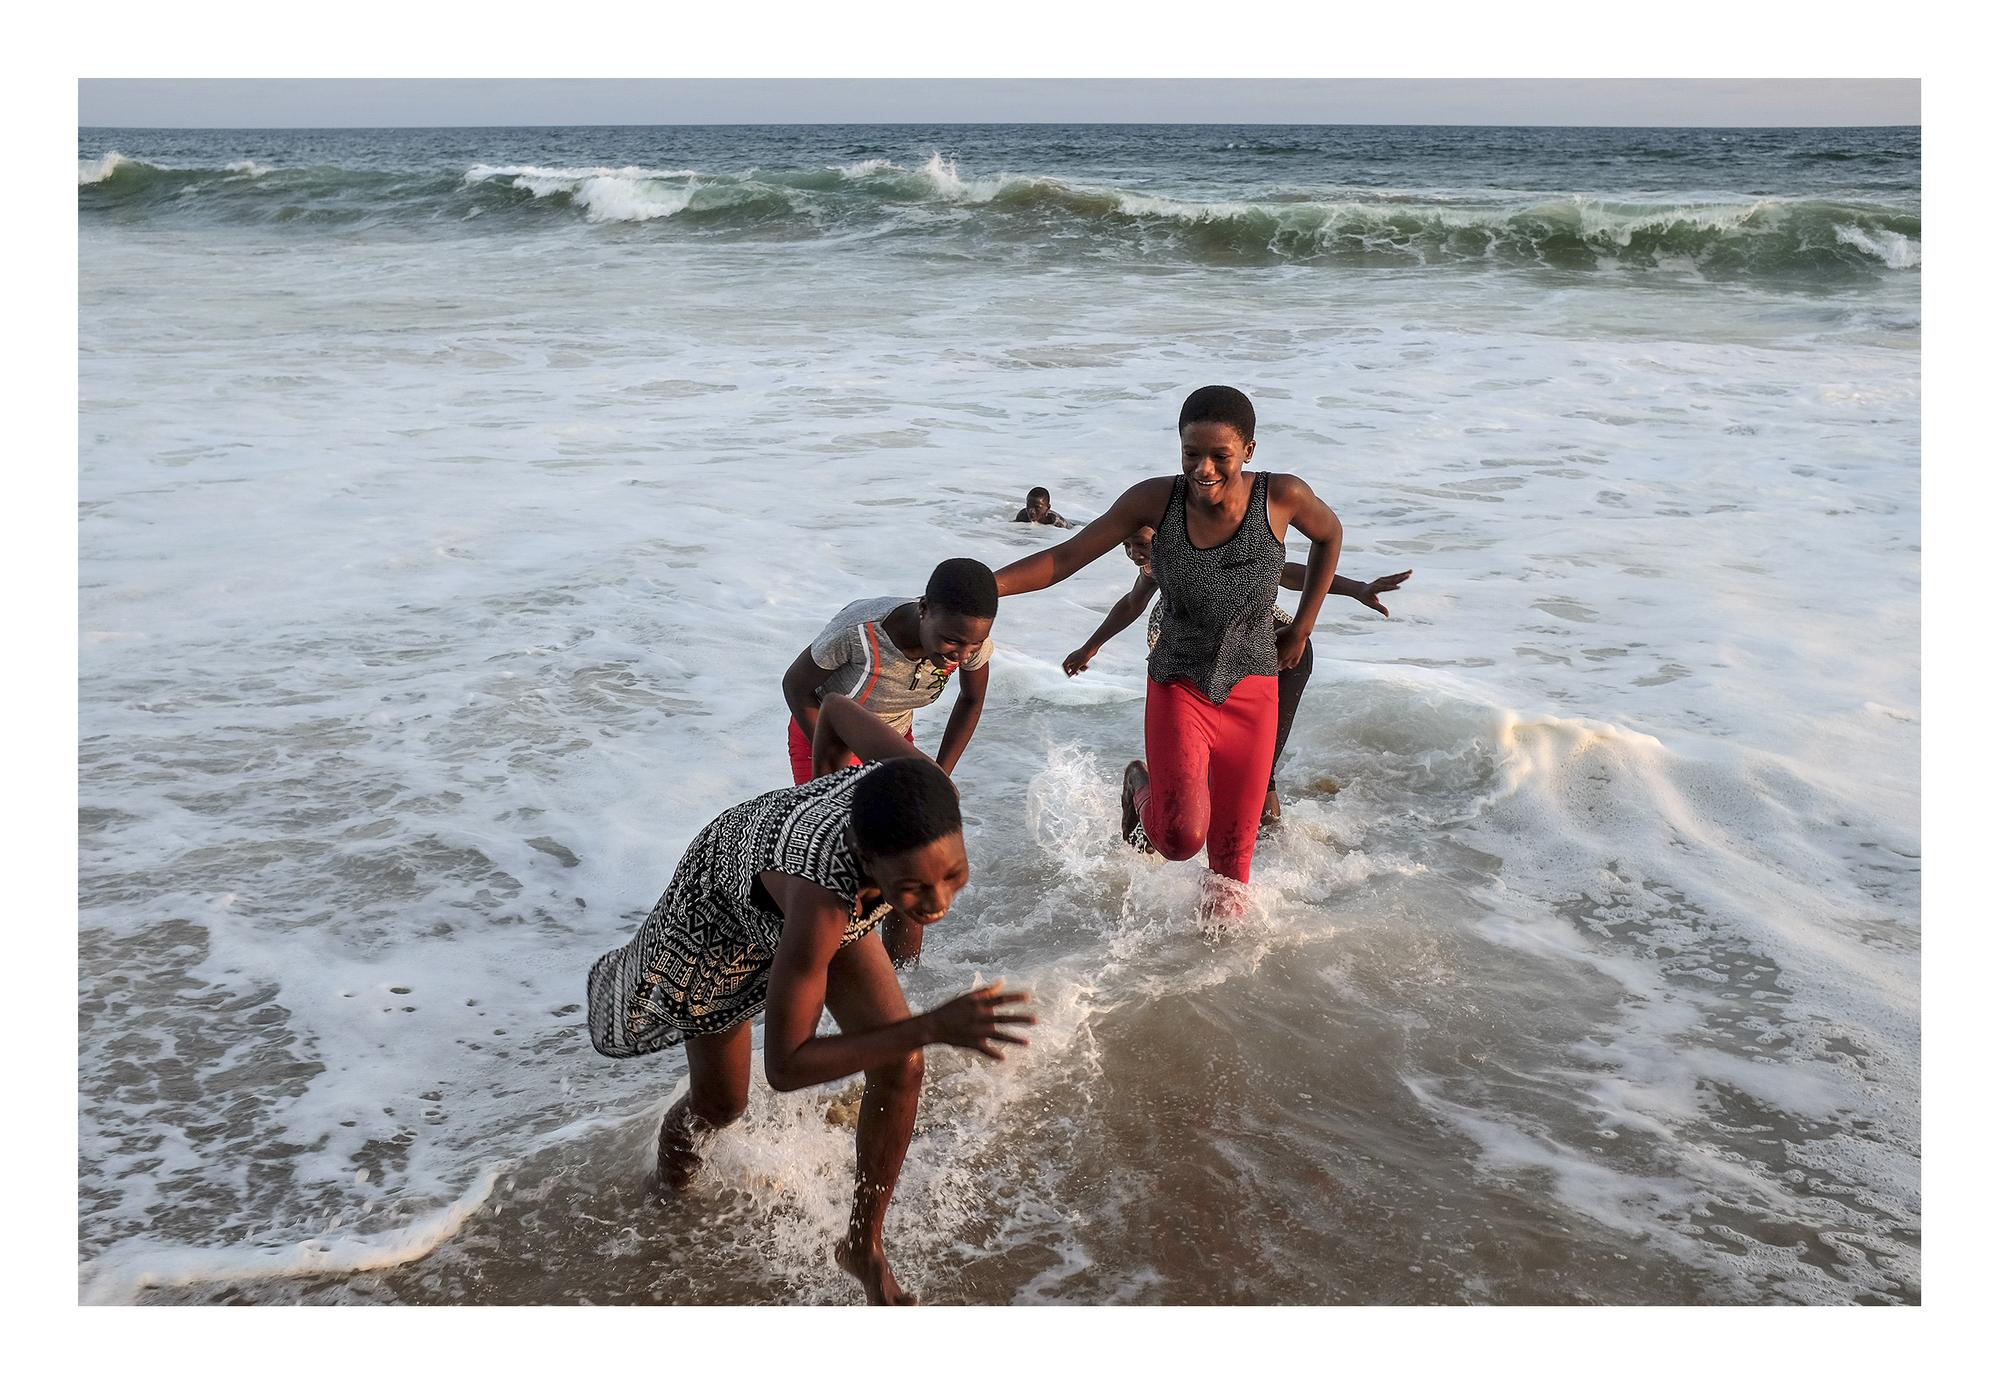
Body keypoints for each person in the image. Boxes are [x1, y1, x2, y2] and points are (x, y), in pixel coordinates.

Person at [586, 692, 1035, 1306]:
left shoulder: (926, 788)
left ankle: (862, 1245)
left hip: (810, 884)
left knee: (901, 1064)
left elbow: (838, 710)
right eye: (913, 888)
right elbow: (788, 1065)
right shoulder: (823, 902)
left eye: (952, 874)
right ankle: (667, 1195)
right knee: (722, 1103)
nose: (938, 903)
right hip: (717, 926)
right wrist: (930, 1024)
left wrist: (819, 783)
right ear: (868, 861)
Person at [993, 385, 1342, 910]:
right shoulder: (1154, 501)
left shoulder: (1282, 496)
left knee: (1231, 873)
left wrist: (1303, 628)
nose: (1204, 469)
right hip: (1179, 683)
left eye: (1220, 456)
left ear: (1248, 450)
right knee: (1180, 839)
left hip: (1254, 689)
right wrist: (985, 587)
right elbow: (1065, 558)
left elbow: (1329, 536)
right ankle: (1139, 783)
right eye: (1191, 454)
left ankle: (1209, 957)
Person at [1062, 526, 1412, 824]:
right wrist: (1091, 647)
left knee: (1259, 772)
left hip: (1280, 656)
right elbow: (1132, 602)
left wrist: (1356, 589)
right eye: (1126, 545)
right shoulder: (1157, 565)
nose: (1134, 554)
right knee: (1223, 773)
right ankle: (1148, 796)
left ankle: (1266, 857)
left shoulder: (1209, 552)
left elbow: (1288, 573)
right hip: (1193, 658)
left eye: (1141, 544)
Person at [781, 559, 997, 963]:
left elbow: (971, 699)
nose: (961, 654)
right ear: (924, 609)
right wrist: (838, 764)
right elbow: (796, 686)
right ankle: (830, 962)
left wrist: (937, 775)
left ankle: (903, 976)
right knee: (843, 859)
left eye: (972, 646)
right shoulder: (859, 633)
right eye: (952, 642)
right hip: (822, 735)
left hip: (893, 740)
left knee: (911, 855)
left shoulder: (968, 639)